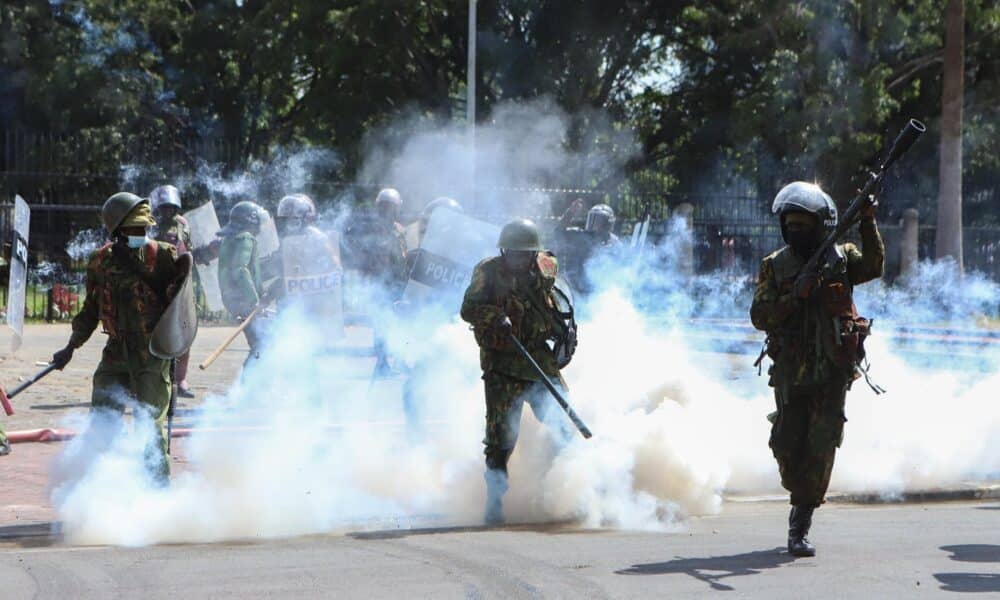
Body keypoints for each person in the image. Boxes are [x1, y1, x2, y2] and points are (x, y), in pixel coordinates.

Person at [750, 181, 884, 557]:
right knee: (787, 443)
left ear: (820, 225)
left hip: (831, 371)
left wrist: (868, 223)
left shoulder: (841, 258)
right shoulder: (774, 266)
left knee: (822, 443)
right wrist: (796, 294)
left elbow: (874, 266)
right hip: (792, 372)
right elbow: (760, 316)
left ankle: (800, 524)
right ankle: (799, 495)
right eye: (789, 223)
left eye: (803, 224)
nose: (795, 230)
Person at [50, 192, 187, 483]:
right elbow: (91, 308)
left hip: (151, 354)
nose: (140, 234)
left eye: (143, 228)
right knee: (102, 422)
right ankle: (101, 489)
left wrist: (145, 272)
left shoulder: (163, 255)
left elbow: (182, 308)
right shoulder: (100, 262)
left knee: (148, 427)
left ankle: (158, 493)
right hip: (115, 353)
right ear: (116, 232)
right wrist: (71, 346)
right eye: (132, 230)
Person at [460, 218, 574, 525]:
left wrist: (564, 331)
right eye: (511, 252)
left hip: (538, 360)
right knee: (500, 439)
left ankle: (571, 490)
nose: (517, 259)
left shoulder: (546, 267)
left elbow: (560, 300)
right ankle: (494, 503)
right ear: (503, 250)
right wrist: (495, 316)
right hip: (502, 363)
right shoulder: (487, 272)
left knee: (563, 424)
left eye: (523, 254)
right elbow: (467, 309)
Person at [149, 184, 196, 398]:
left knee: (183, 333)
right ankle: (148, 381)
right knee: (152, 335)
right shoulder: (147, 224)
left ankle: (180, 380)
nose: (168, 211)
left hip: (179, 285)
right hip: (155, 284)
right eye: (164, 206)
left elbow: (187, 251)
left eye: (171, 207)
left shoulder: (182, 225)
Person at [217, 201, 269, 370]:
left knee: (260, 343)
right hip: (245, 302)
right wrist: (254, 301)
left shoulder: (230, 239)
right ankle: (246, 388)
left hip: (232, 300)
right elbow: (240, 270)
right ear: (251, 221)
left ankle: (251, 387)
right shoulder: (246, 238)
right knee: (262, 344)